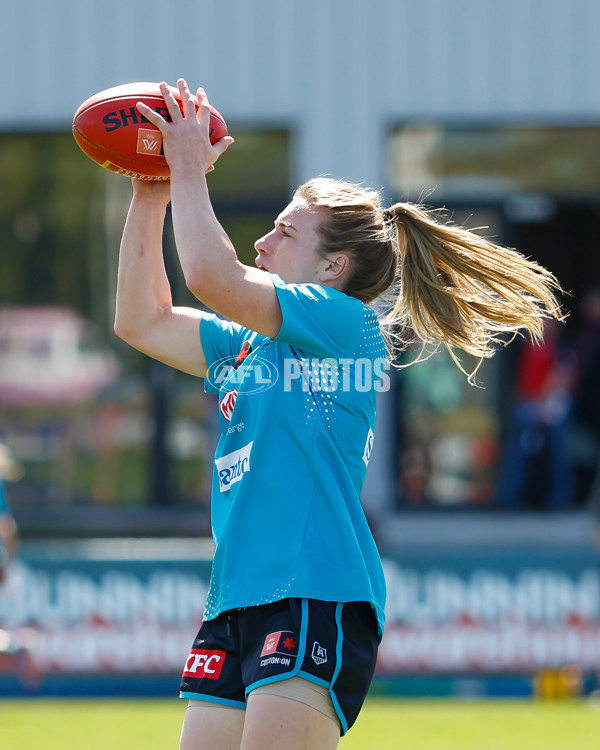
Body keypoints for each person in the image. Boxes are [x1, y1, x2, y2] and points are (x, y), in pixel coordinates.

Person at [114, 79, 565, 750]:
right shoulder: (247, 341)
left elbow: (211, 275)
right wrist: (151, 193)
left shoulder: (343, 322)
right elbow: (141, 319)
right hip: (235, 598)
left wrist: (186, 165)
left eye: (285, 232)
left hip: (311, 590)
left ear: (334, 267)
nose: (263, 243)